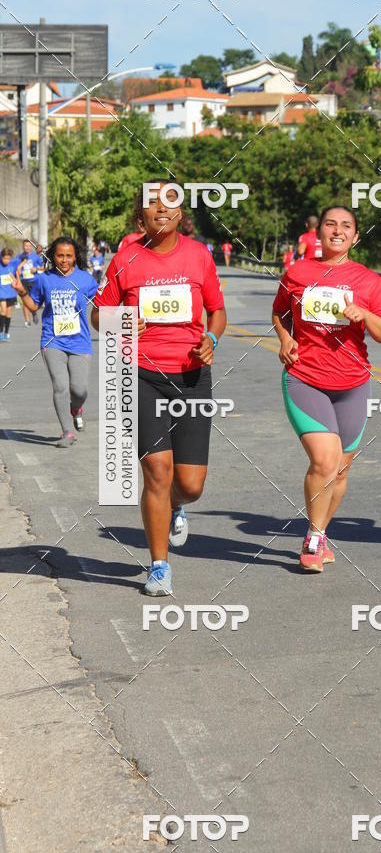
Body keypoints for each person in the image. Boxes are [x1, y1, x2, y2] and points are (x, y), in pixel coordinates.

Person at [91, 179, 227, 597]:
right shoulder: (126, 258)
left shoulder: (200, 255)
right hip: (140, 374)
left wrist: (213, 339)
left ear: (180, 213)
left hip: (191, 376)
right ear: (141, 218)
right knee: (157, 471)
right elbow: (99, 316)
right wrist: (124, 323)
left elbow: (216, 311)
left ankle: (178, 507)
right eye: (152, 203)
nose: (162, 209)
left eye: (170, 201)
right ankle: (159, 565)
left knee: (189, 484)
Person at [272, 205, 381, 573]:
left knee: (340, 470)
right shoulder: (297, 272)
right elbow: (279, 312)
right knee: (324, 460)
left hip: (353, 384)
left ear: (355, 237)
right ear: (319, 233)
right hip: (305, 378)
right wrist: (284, 338)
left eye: (346, 226)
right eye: (330, 224)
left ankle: (322, 532)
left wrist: (365, 315)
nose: (337, 231)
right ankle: (312, 535)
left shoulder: (368, 281)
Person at [10, 236, 98, 445]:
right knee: (60, 386)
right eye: (60, 255)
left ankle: (76, 408)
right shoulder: (44, 279)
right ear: (53, 256)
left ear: (75, 257)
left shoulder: (86, 280)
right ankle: (67, 432)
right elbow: (33, 307)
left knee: (79, 390)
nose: (64, 260)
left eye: (69, 256)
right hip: (52, 341)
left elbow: (101, 304)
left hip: (80, 342)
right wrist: (21, 291)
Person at [14, 239, 43, 326]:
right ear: (23, 247)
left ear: (31, 247)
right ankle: (27, 321)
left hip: (34, 281)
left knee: (33, 301)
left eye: (29, 246)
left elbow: (43, 268)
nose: (27, 247)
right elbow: (15, 269)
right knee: (25, 301)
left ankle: (34, 313)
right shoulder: (19, 257)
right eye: (26, 246)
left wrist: (36, 269)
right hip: (23, 281)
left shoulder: (36, 257)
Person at [0, 247, 22, 342]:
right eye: (4, 258)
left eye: (8, 258)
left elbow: (23, 259)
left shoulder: (13, 263)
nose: (6, 260)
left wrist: (18, 276)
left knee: (8, 313)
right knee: (3, 311)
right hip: (2, 293)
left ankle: (6, 333)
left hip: (11, 293)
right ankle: (0, 332)